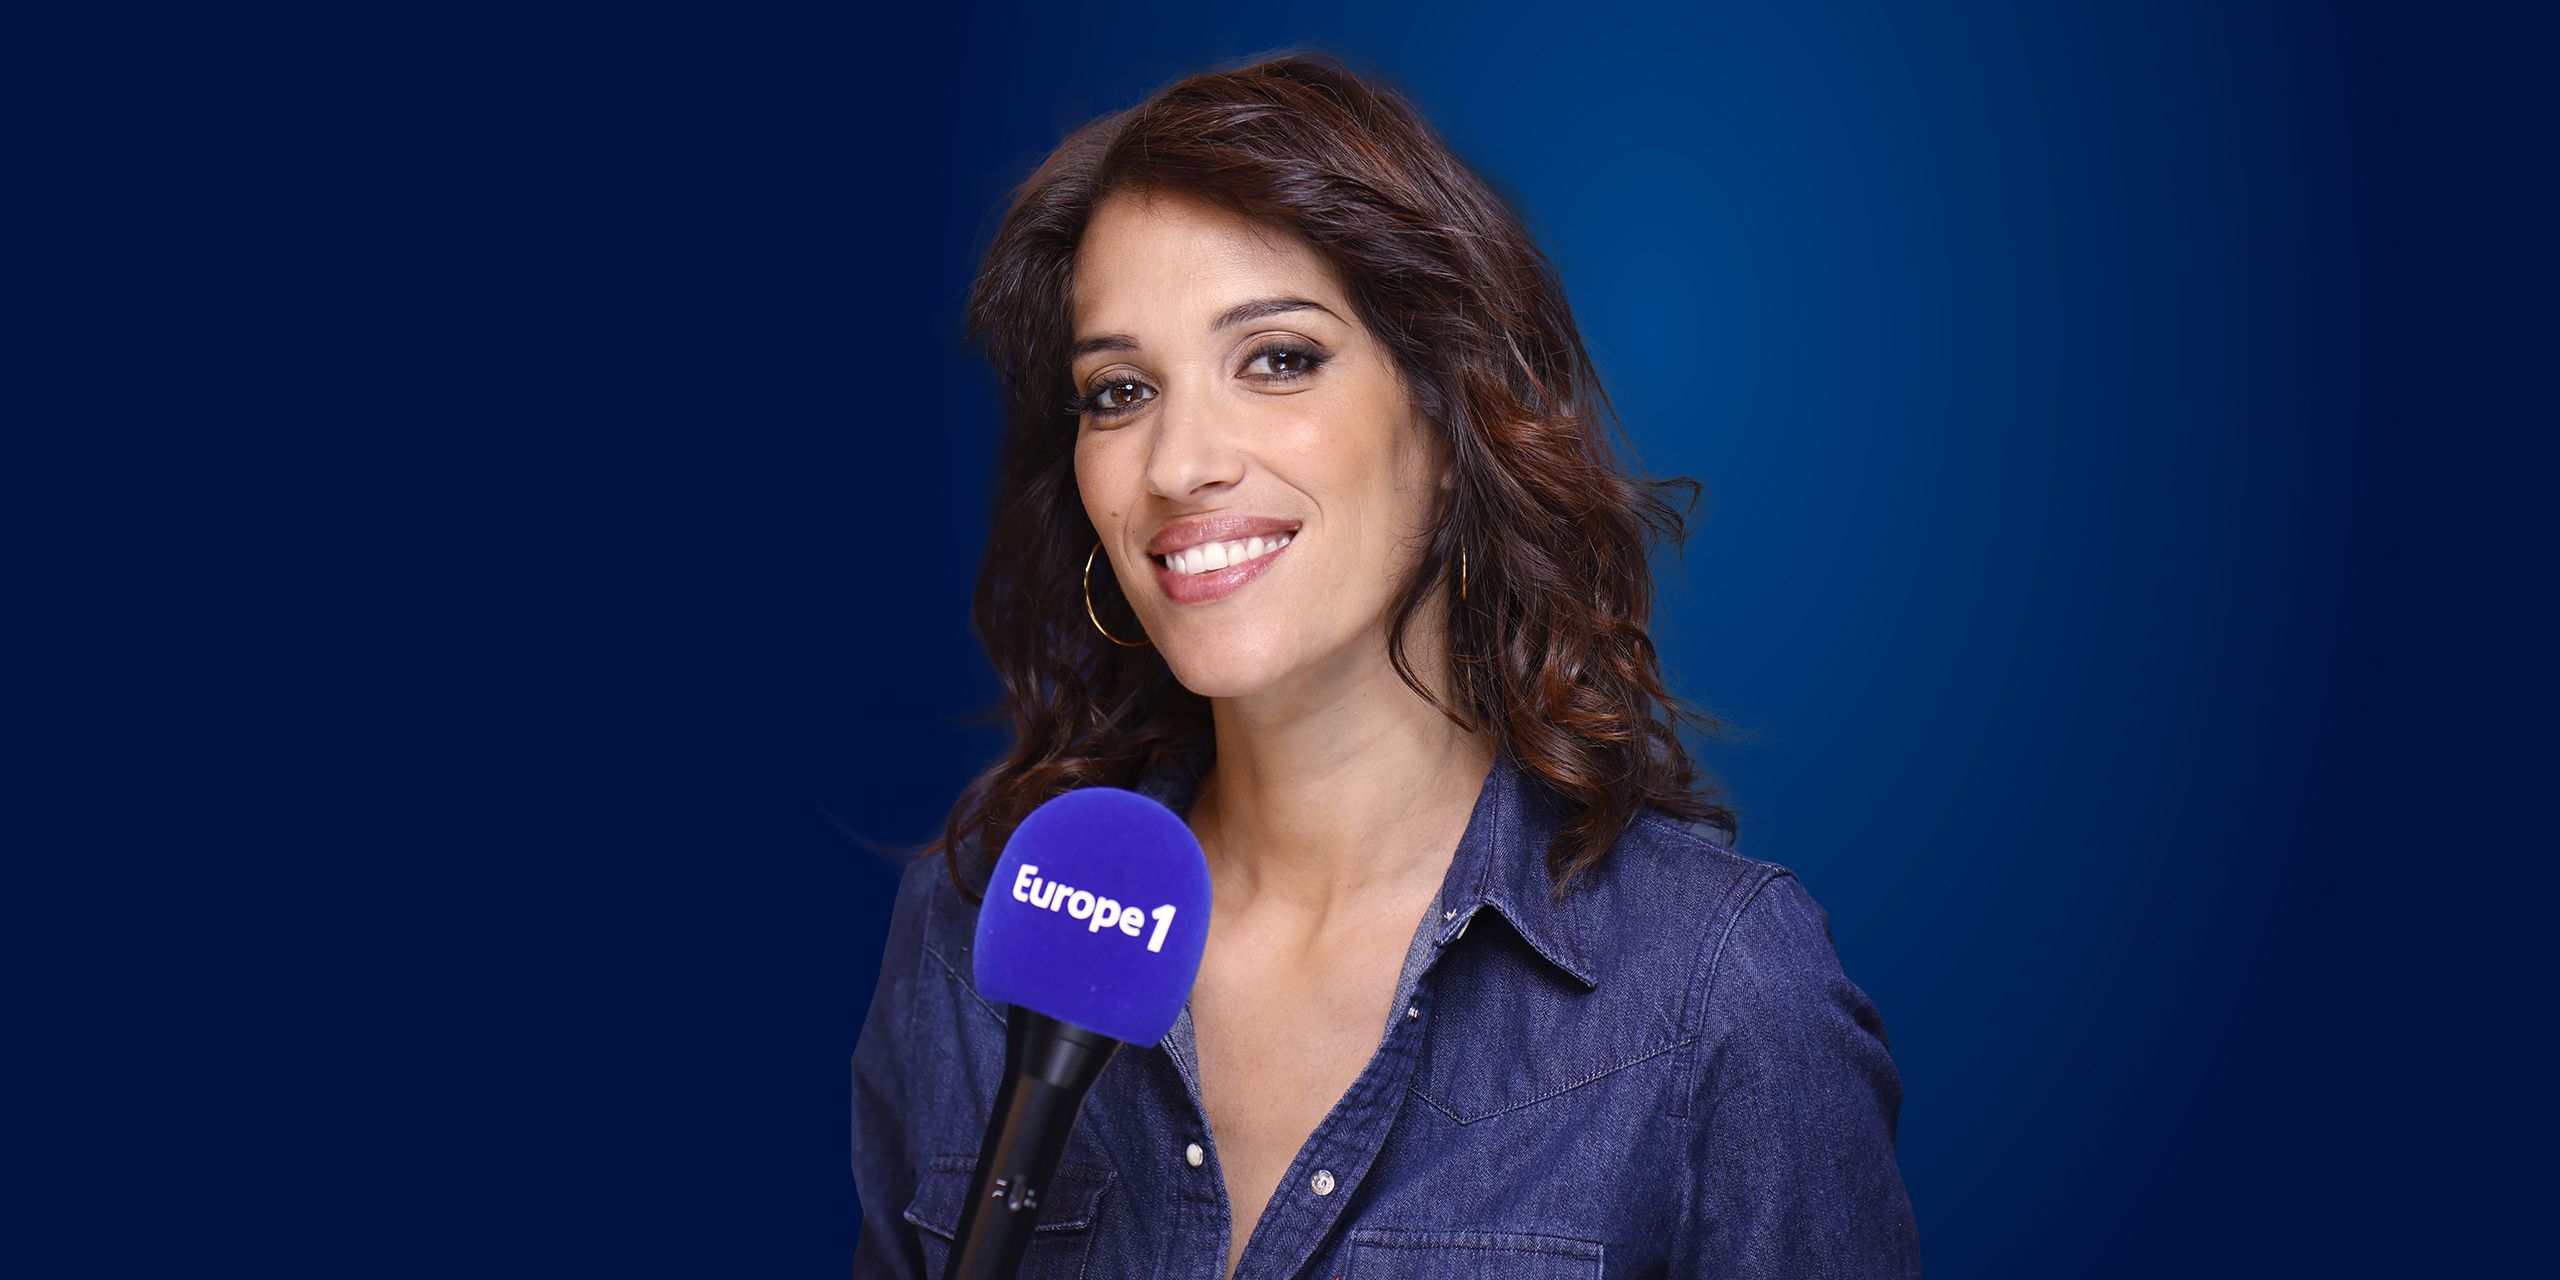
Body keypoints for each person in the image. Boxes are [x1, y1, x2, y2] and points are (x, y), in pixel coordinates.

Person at [852, 51, 1919, 1279]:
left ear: (1451, 416)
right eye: (1120, 389)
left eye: (1277, 358)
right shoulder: (975, 927)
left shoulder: (1715, 993)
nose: (1177, 463)